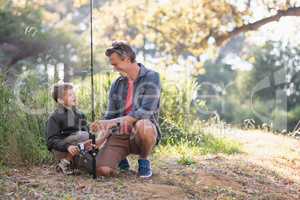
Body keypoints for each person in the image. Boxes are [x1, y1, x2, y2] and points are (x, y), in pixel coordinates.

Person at [90, 41, 161, 178]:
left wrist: (111, 122)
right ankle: (121, 157)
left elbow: (145, 112)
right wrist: (98, 140)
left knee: (143, 124)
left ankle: (144, 160)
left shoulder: (152, 77)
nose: (114, 68)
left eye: (115, 64)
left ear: (127, 59)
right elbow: (110, 116)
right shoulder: (117, 84)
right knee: (102, 170)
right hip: (119, 134)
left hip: (140, 133)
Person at [46, 82, 110, 175]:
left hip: (80, 149)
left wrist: (93, 133)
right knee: (82, 135)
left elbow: (88, 136)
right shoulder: (54, 117)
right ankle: (65, 161)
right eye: (70, 95)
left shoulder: (80, 114)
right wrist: (68, 147)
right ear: (60, 100)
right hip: (62, 150)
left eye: (74, 94)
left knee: (100, 168)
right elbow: (51, 141)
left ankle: (68, 164)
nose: (74, 97)